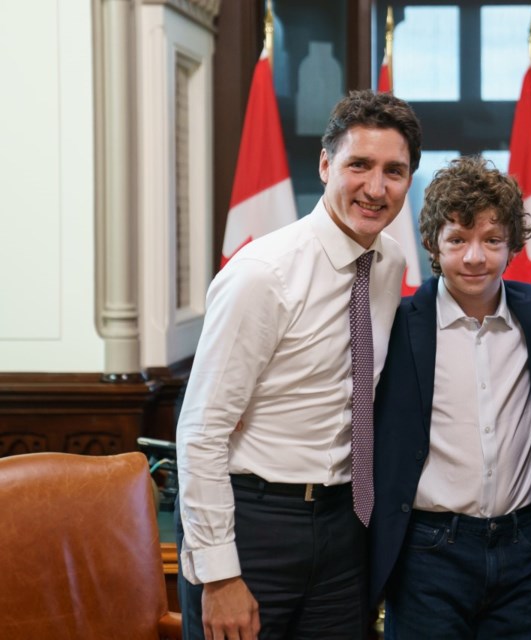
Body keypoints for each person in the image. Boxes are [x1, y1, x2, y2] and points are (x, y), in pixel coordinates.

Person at [175, 89, 422, 640]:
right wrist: (219, 576)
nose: (375, 188)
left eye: (394, 171)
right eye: (359, 165)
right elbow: (201, 430)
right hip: (255, 522)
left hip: (344, 525)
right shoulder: (264, 273)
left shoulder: (389, 264)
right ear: (326, 163)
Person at [369, 155, 531, 639]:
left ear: (512, 244)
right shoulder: (397, 324)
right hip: (431, 553)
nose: (475, 257)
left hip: (525, 549)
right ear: (432, 243)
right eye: (458, 240)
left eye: (492, 240)